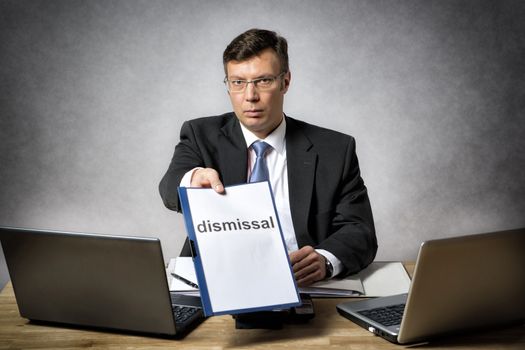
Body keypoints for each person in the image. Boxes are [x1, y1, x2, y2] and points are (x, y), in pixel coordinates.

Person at [159, 28, 377, 287]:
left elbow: (359, 231)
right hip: (216, 280)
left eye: (263, 81)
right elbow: (170, 188)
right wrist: (193, 179)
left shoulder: (335, 149)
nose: (250, 96)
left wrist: (324, 259)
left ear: (285, 82)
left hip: (301, 285)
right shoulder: (200, 134)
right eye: (238, 82)